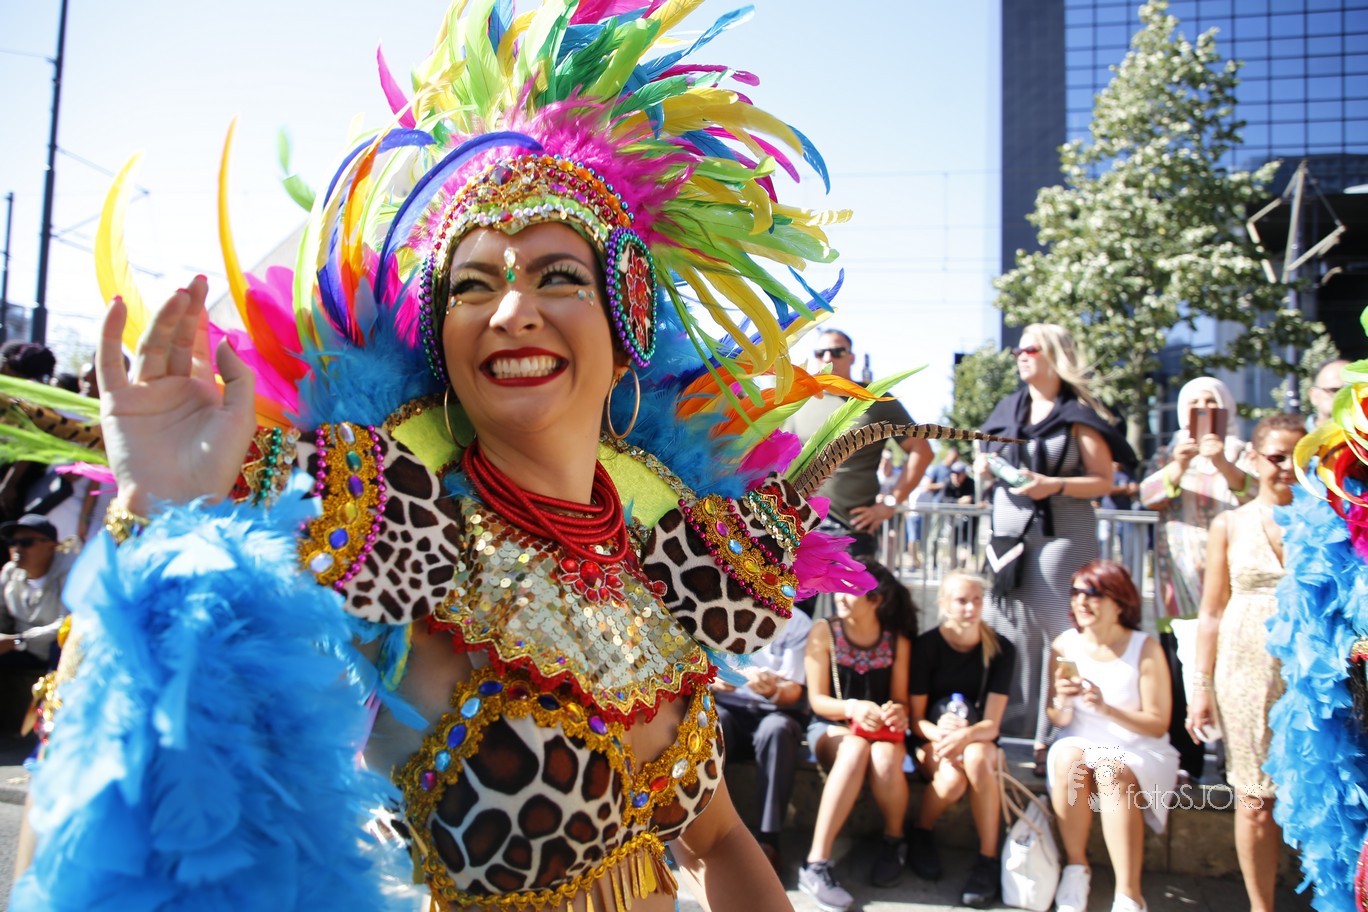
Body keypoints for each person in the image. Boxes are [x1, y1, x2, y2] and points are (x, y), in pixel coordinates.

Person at [11, 5, 898, 909]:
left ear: (626, 319)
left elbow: (716, 840)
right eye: (473, 286)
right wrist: (161, 516)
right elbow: (125, 815)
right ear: (444, 340)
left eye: (557, 276)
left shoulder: (659, 559)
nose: (512, 312)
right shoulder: (375, 542)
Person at [978, 324, 1135, 774]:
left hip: (1060, 538)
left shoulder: (1077, 413)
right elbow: (983, 455)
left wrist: (1054, 484)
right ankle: (1003, 726)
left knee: (1059, 634)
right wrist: (984, 466)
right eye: (1018, 349)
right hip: (1006, 539)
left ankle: (1051, 733)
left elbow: (1104, 480)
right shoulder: (1008, 408)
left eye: (1031, 348)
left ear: (1053, 355)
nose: (1021, 355)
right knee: (1003, 626)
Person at [1185, 412, 1305, 912]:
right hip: (1245, 671)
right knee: (1255, 800)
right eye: (1277, 457)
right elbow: (1211, 611)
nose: (1288, 468)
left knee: (1323, 792)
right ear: (1253, 459)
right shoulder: (1229, 524)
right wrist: (1200, 687)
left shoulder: (1328, 521)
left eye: (1300, 458)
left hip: (1310, 673)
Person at [1046, 560, 1179, 912]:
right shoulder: (1064, 645)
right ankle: (1076, 869)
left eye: (1093, 593)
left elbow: (1158, 723)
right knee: (1067, 759)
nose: (1081, 601)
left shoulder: (1144, 648)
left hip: (1138, 745)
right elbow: (1056, 718)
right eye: (1076, 592)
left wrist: (1107, 709)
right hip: (1080, 737)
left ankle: (1129, 894)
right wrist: (1062, 699)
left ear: (1119, 602)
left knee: (1110, 770)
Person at [1138, 376, 1252, 781]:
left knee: (1230, 672)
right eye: (1195, 402)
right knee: (1180, 674)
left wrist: (1221, 462)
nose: (1203, 409)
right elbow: (1147, 496)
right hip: (1179, 584)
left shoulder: (1242, 451)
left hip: (1229, 583)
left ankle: (1232, 765)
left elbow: (1254, 494)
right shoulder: (1168, 452)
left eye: (1211, 402)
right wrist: (1179, 463)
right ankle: (1186, 762)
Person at [799, 558, 915, 910]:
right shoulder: (824, 631)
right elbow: (817, 701)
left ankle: (894, 840)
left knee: (882, 758)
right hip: (831, 728)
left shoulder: (896, 641)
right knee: (855, 749)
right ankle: (816, 863)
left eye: (849, 590)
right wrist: (852, 708)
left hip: (881, 735)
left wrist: (897, 711)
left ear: (875, 599)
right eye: (837, 587)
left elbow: (901, 700)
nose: (839, 595)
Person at [907, 570, 1014, 908]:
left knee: (977, 757)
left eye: (977, 600)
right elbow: (916, 720)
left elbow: (992, 725)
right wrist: (943, 736)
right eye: (962, 600)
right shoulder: (926, 647)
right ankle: (921, 832)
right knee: (952, 780)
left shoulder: (1001, 649)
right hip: (933, 738)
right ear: (944, 603)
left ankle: (988, 859)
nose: (971, 608)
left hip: (978, 741)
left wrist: (964, 737)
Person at [785, 329, 933, 560]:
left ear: (851, 357)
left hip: (850, 529)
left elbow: (921, 450)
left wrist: (890, 503)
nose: (828, 357)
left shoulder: (875, 399)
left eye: (837, 351)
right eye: (821, 352)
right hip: (795, 527)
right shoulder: (796, 399)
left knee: (854, 586)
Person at [712, 607, 813, 874]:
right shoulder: (721, 608)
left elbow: (795, 690)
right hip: (728, 707)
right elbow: (700, 664)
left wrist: (772, 689)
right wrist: (715, 681)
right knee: (713, 724)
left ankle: (769, 840)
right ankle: (705, 829)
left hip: (773, 711)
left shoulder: (796, 622)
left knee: (777, 730)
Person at [0, 515, 72, 672]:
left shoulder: (71, 571)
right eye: (13, 542)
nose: (17, 549)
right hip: (23, 649)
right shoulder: (9, 572)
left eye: (26, 543)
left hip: (58, 652)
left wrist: (18, 640)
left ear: (51, 546)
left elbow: (67, 624)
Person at [1308, 357, 1349, 426]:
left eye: (1352, 390)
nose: (1345, 396)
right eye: (1335, 390)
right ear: (1313, 396)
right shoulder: (1294, 431)